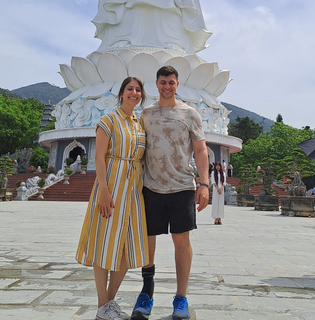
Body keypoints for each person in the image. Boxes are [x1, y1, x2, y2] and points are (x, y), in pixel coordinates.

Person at [131, 66, 209, 320]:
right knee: (148, 240)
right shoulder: (146, 114)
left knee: (181, 241)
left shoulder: (190, 113)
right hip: (151, 186)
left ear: (178, 84)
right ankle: (147, 292)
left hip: (182, 186)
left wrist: (205, 184)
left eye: (171, 82)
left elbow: (200, 150)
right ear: (156, 84)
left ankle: (181, 297)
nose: (167, 86)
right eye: (163, 82)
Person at [75, 77, 148, 320]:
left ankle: (108, 303)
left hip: (134, 190)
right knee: (104, 243)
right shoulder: (108, 120)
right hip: (112, 187)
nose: (134, 93)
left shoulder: (139, 124)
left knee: (128, 248)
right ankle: (102, 304)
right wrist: (104, 191)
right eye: (130, 89)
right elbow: (99, 157)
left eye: (138, 90)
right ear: (121, 93)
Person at [211, 161, 226, 225]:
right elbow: (213, 181)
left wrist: (221, 189)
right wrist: (217, 189)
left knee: (220, 204)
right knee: (215, 204)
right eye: (216, 165)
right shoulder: (213, 173)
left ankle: (220, 218)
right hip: (215, 190)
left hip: (221, 190)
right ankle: (216, 218)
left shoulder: (223, 173)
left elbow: (224, 182)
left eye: (219, 165)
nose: (218, 167)